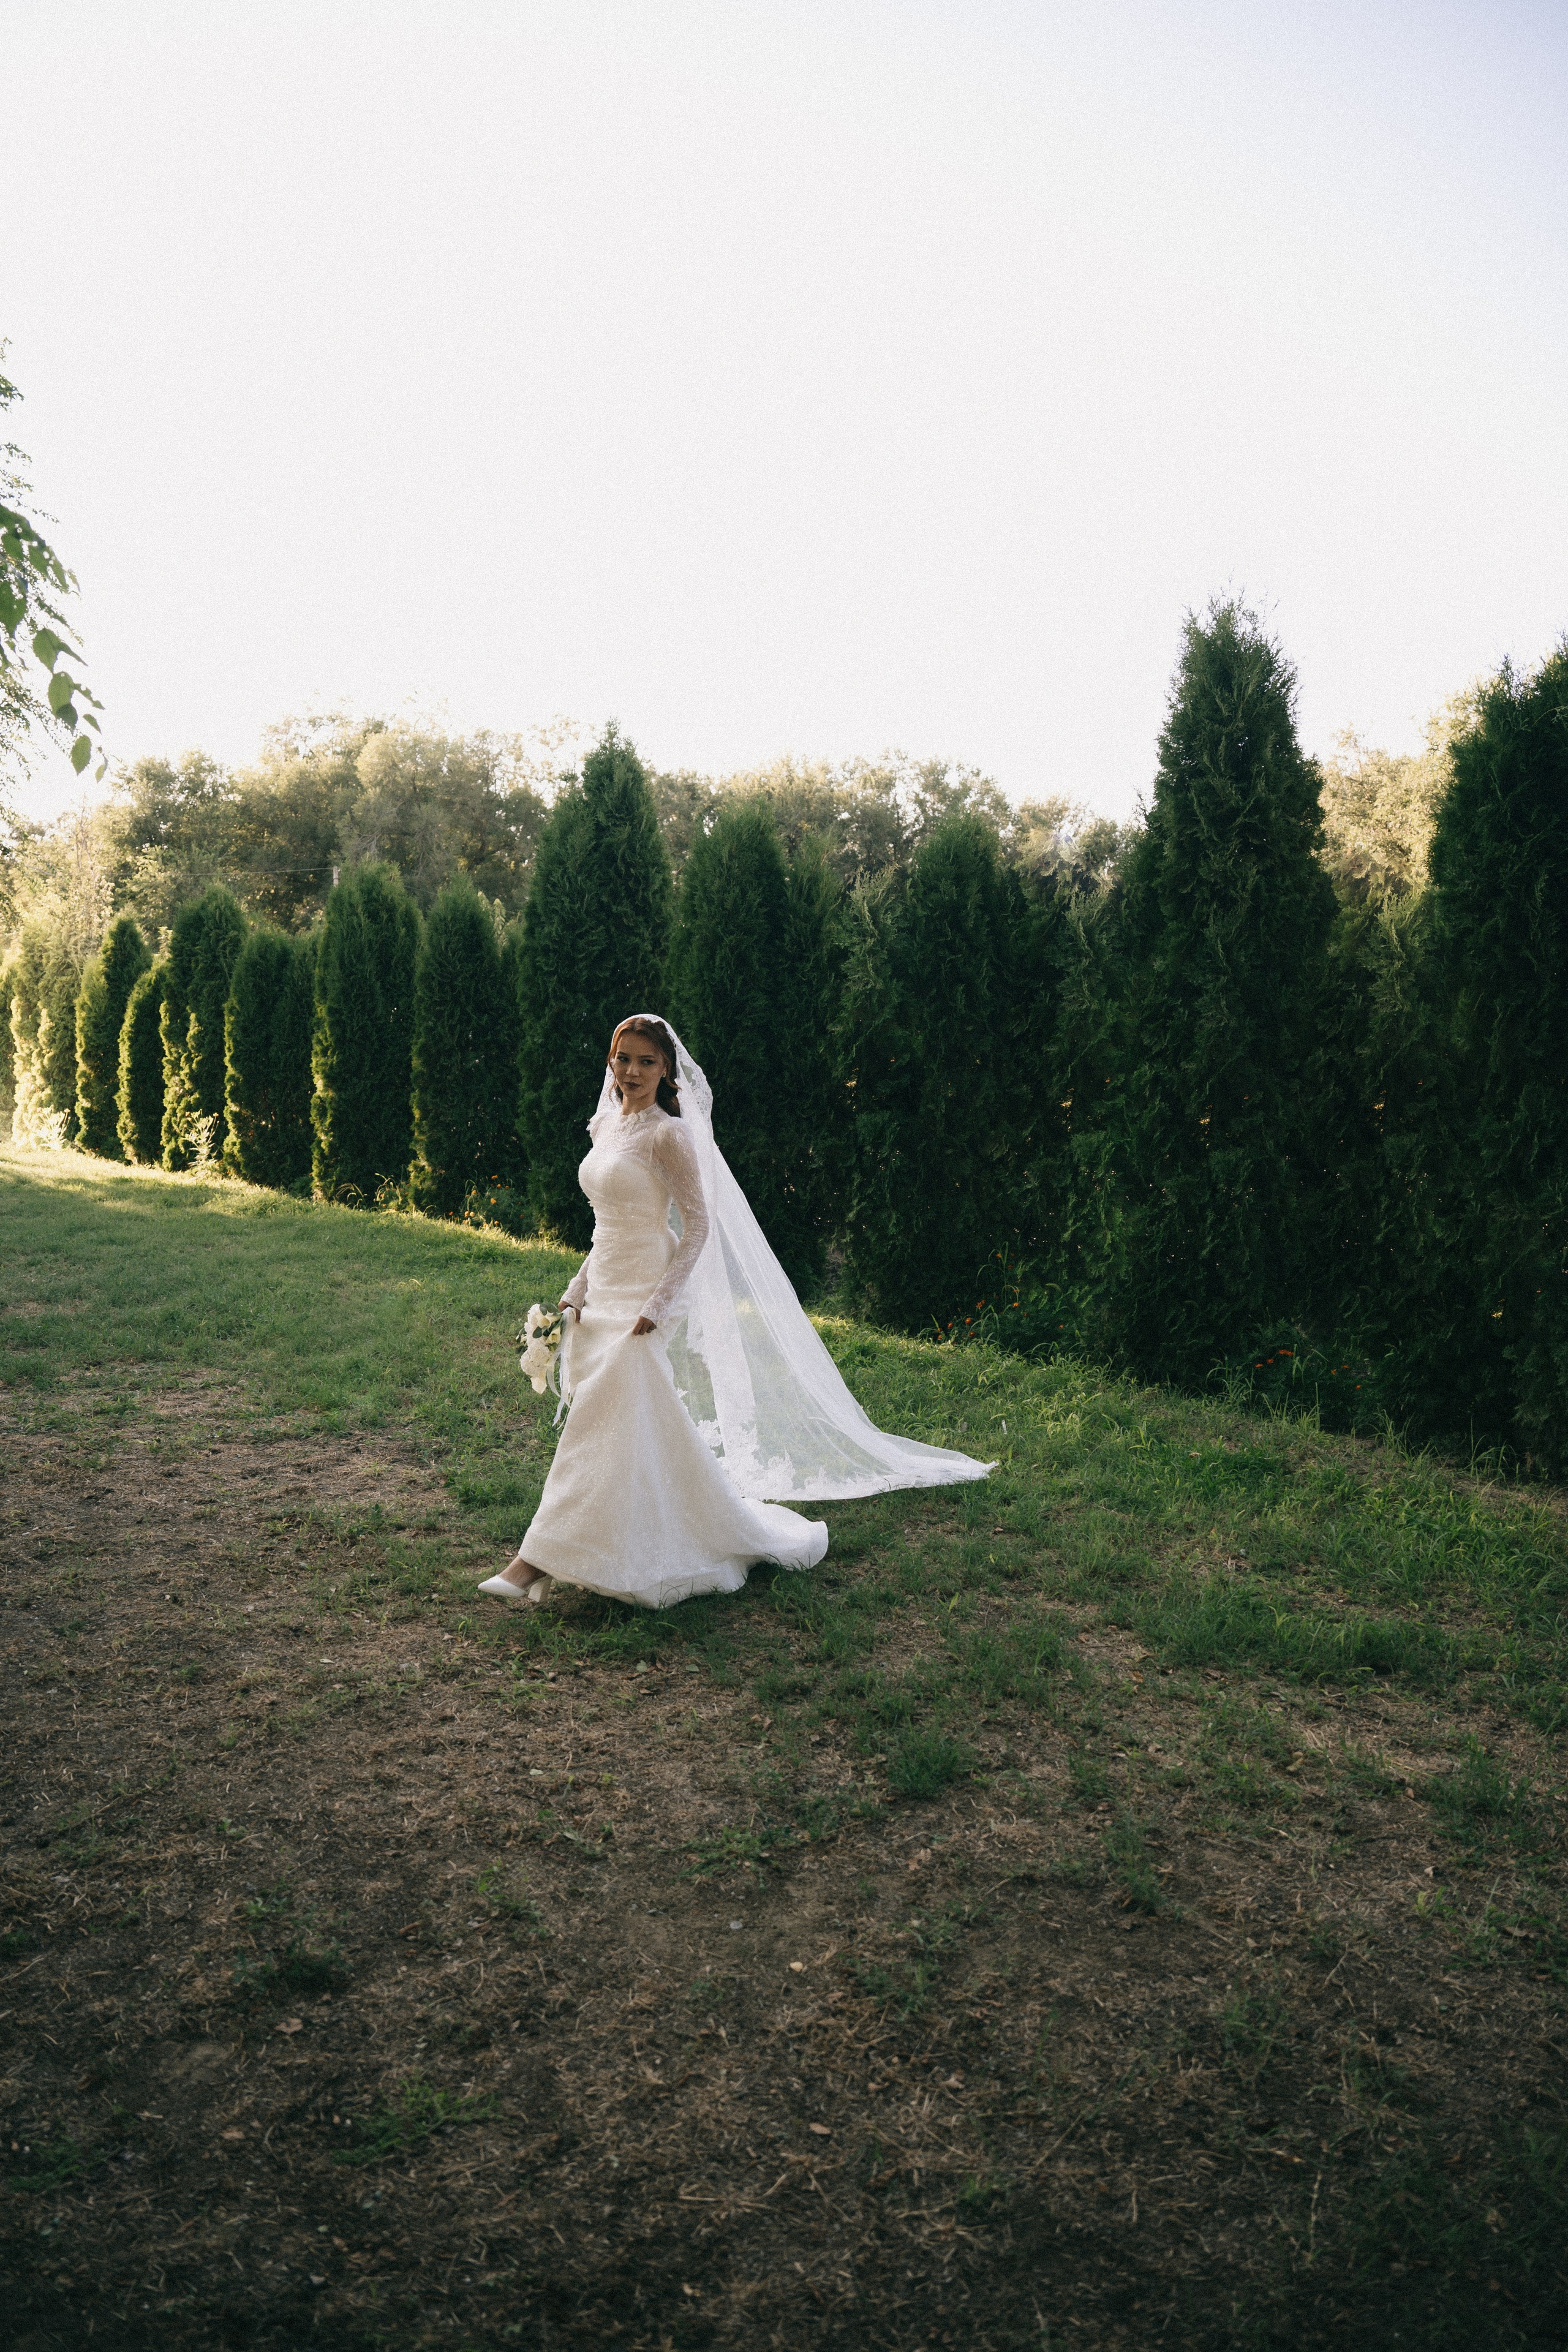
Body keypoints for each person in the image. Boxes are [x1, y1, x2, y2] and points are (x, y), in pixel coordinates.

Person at [479, 1014, 990, 1612]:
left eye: (647, 1061)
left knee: (596, 1417)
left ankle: (534, 1561)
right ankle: (648, 1531)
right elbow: (605, 1227)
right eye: (623, 1059)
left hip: (648, 1293)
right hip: (604, 1293)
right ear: (611, 1062)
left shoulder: (668, 1136)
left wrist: (659, 1305)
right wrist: (575, 1292)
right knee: (629, 1424)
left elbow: (696, 1225)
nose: (633, 1071)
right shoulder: (605, 1126)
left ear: (666, 1069)